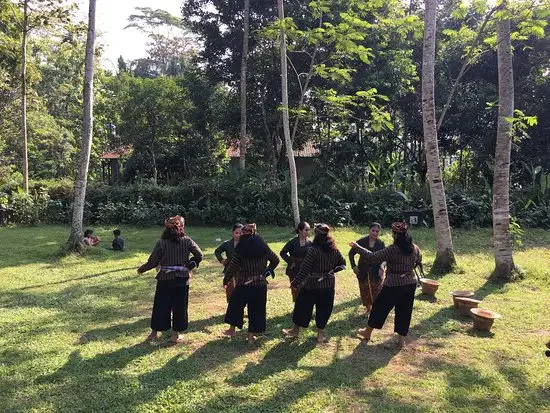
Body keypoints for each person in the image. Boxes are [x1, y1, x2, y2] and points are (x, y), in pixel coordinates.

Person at [349, 221, 422, 348]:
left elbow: (373, 257)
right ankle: (401, 339)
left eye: (393, 233)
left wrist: (357, 247)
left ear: (395, 235)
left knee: (379, 307)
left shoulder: (393, 249)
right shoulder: (414, 248)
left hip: (394, 284)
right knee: (405, 311)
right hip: (410, 283)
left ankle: (367, 332)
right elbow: (418, 260)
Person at [137, 215, 203, 344]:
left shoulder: (161, 243)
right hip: (182, 280)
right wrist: (192, 263)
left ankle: (154, 333)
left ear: (166, 230)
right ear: (181, 228)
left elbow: (152, 262)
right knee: (180, 307)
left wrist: (142, 269)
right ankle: (175, 335)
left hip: (164, 279)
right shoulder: (187, 241)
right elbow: (199, 255)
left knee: (160, 306)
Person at [282, 223, 346, 344]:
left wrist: (295, 282)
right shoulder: (335, 250)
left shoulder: (313, 250)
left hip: (311, 285)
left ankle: (296, 330)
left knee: (302, 306)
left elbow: (304, 269)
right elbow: (343, 264)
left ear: (316, 234)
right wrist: (332, 271)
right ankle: (320, 335)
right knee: (324, 309)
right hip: (328, 285)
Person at [223, 223, 280, 343]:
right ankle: (250, 337)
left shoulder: (240, 249)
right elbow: (275, 259)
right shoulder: (263, 247)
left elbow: (232, 266)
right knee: (257, 310)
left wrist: (226, 279)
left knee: (235, 305)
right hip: (260, 284)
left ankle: (232, 330)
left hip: (244, 284)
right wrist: (268, 270)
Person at [349, 223, 385, 313]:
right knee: (365, 290)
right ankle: (368, 308)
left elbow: (385, 258)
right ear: (369, 230)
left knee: (377, 290)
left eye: (377, 231)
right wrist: (354, 266)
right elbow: (351, 253)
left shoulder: (381, 243)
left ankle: (375, 309)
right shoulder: (361, 242)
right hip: (363, 270)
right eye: (373, 230)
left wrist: (382, 266)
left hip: (376, 270)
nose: (375, 233)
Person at [280, 221, 312, 301]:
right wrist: (291, 261)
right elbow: (282, 253)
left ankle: (306, 307)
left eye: (309, 230)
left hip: (306, 269)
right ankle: (297, 307)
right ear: (300, 230)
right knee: (295, 288)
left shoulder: (310, 243)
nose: (308, 232)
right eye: (306, 230)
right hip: (295, 269)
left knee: (307, 288)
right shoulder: (292, 242)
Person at [215, 223, 243, 302]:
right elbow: (217, 251)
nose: (238, 235)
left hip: (242, 270)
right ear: (233, 233)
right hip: (230, 269)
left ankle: (242, 308)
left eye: (240, 233)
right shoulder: (227, 244)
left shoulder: (246, 244)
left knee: (242, 290)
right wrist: (222, 260)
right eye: (236, 233)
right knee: (230, 290)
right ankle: (231, 309)